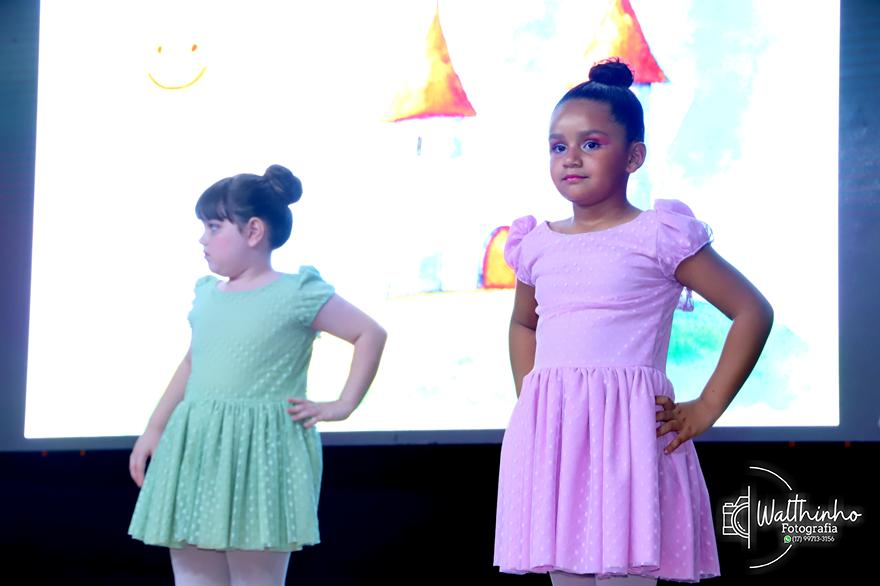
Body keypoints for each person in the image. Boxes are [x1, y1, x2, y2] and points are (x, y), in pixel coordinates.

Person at [493, 58, 774, 584]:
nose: (571, 158)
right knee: (566, 575)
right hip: (556, 444)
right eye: (558, 146)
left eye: (591, 143)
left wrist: (707, 407)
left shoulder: (659, 236)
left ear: (633, 156)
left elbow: (751, 311)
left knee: (627, 575)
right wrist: (532, 400)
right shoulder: (535, 244)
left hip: (630, 440)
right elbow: (524, 324)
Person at [128, 164, 387, 585]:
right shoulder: (207, 295)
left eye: (214, 227)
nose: (203, 238)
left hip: (261, 455)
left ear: (253, 231)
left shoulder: (296, 292)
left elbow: (369, 333)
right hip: (197, 450)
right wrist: (155, 427)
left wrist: (342, 405)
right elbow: (193, 362)